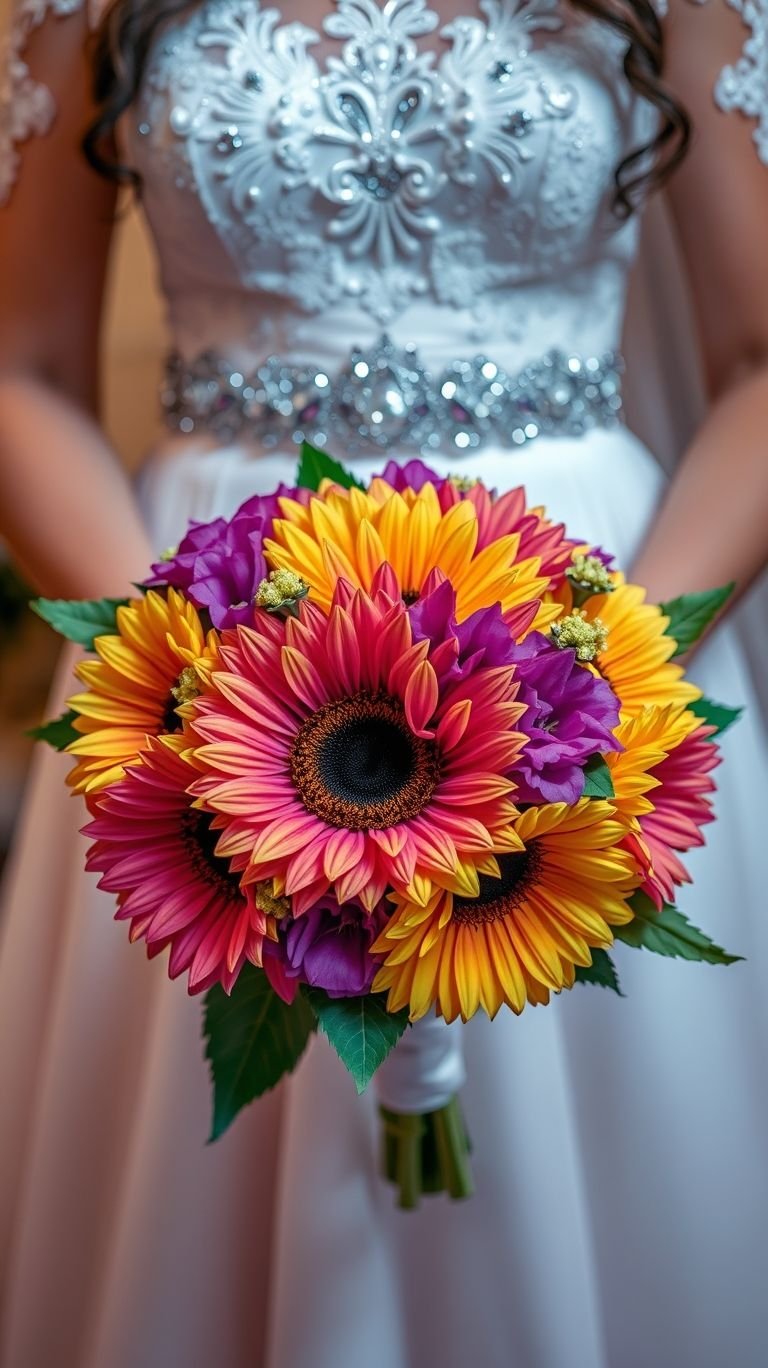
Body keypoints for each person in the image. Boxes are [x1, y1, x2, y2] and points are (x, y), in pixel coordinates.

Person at [1, 1, 767, 1364]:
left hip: (594, 620)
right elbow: (21, 366)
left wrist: (601, 682)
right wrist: (182, 685)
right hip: (200, 622)